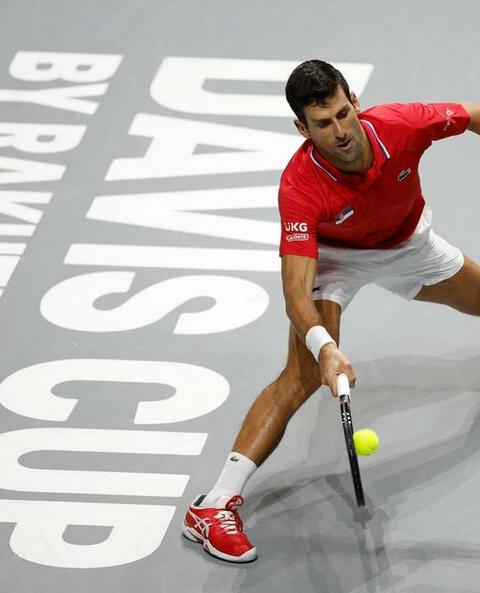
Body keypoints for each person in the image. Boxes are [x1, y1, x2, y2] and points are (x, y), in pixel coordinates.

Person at [182, 59, 480, 563]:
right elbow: (296, 292)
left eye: (343, 113)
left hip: (410, 246)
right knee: (300, 376)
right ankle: (212, 507)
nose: (340, 131)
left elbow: (471, 113)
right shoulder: (300, 187)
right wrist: (324, 348)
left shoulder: (402, 125)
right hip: (336, 262)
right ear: (302, 128)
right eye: (323, 123)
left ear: (355, 102)